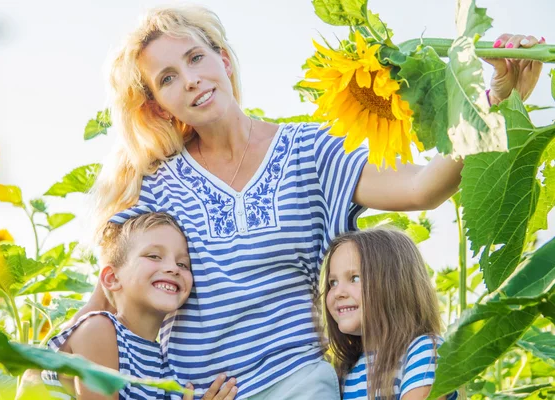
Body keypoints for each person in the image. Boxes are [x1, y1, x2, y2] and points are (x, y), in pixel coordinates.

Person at [75, 4, 543, 399]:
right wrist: (43, 365)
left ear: (225, 61)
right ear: (159, 106)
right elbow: (106, 303)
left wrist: (495, 100)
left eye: (197, 58)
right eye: (169, 78)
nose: (192, 80)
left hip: (297, 383)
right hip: (200, 392)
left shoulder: (310, 150)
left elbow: (421, 188)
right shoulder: (158, 184)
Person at [41, 212, 237, 400]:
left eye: (183, 264)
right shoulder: (98, 330)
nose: (173, 268)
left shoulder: (162, 362)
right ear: (112, 278)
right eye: (153, 256)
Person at [322, 228, 458, 399]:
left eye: (354, 278)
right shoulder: (344, 371)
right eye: (333, 282)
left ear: (394, 286)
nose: (338, 292)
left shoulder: (423, 351)